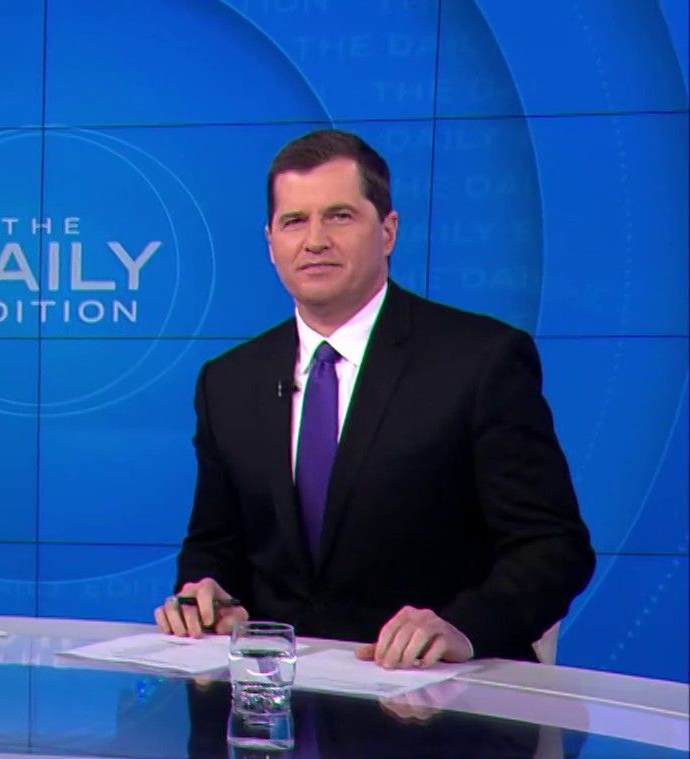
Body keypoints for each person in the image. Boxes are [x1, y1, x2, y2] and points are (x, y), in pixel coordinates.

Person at [157, 130, 593, 668]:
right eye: (294, 221)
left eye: (339, 216)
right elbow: (213, 546)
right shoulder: (228, 382)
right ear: (270, 243)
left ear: (388, 232)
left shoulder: (481, 361)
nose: (315, 240)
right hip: (272, 693)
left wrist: (464, 627)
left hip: (432, 691)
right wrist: (206, 595)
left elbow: (553, 548)